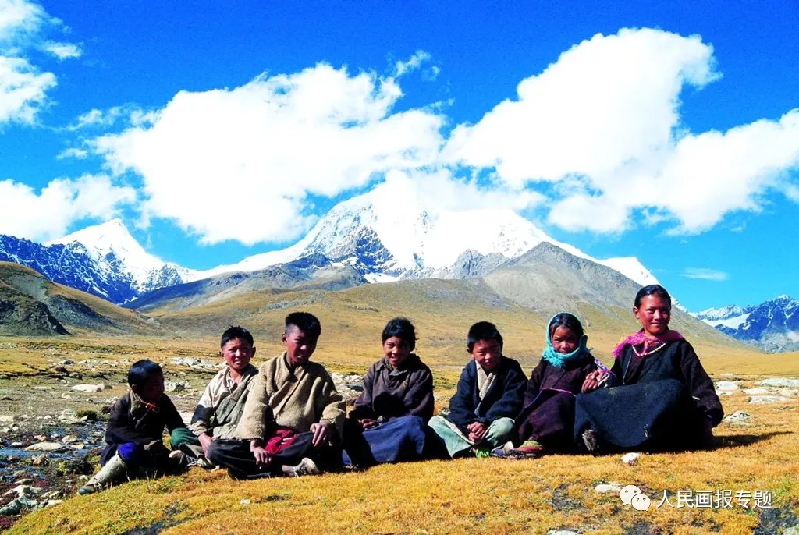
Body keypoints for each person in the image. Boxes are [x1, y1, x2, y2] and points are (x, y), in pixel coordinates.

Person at [573, 285, 724, 453]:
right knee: (583, 398)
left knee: (672, 389)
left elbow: (701, 385)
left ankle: (613, 441)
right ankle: (594, 439)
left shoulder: (679, 347)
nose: (658, 317)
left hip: (670, 418)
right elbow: (618, 384)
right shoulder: (628, 348)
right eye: (651, 310)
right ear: (636, 312)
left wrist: (708, 418)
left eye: (664, 311)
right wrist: (600, 381)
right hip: (635, 413)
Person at [207, 312, 345, 478]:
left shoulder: (318, 374)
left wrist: (325, 423)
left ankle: (255, 468)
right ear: (284, 339)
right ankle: (286, 469)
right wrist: (255, 444)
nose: (306, 348)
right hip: (264, 438)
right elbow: (255, 404)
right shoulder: (268, 369)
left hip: (296, 440)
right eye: (300, 342)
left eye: (311, 343)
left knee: (315, 440)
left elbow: (334, 402)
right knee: (216, 450)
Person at [510, 313, 612, 456]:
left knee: (561, 399)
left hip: (567, 424)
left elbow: (594, 398)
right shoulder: (545, 364)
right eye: (558, 340)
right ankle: (532, 438)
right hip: (535, 421)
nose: (564, 346)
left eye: (570, 339)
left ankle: (538, 442)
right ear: (550, 340)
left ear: (580, 340)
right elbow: (530, 393)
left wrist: (590, 388)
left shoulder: (588, 365)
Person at [78, 360, 186, 494]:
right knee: (130, 449)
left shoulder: (163, 402)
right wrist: (144, 441)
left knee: (178, 455)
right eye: (155, 385)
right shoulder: (123, 404)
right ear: (136, 388)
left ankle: (142, 472)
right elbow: (113, 433)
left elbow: (176, 425)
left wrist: (181, 439)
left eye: (162, 382)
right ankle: (95, 483)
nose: (162, 388)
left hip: (152, 452)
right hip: (120, 453)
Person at [343, 318, 436, 468]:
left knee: (413, 425)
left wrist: (381, 422)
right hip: (374, 430)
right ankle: (368, 453)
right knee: (345, 425)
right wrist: (361, 420)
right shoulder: (376, 369)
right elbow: (364, 403)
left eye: (403, 346)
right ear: (383, 345)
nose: (396, 352)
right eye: (391, 345)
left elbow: (416, 413)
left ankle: (361, 456)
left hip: (399, 429)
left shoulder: (420, 373)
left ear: (411, 347)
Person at [428, 321, 526, 458]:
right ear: (471, 352)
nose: (489, 356)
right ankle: (476, 449)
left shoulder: (512, 370)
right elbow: (459, 402)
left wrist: (484, 422)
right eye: (482, 352)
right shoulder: (469, 370)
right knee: (434, 423)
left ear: (501, 347)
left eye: (494, 349)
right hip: (471, 429)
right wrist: (469, 426)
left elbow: (512, 401)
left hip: (492, 426)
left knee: (506, 426)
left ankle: (466, 448)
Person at [170, 326, 259, 467]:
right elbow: (200, 416)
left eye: (244, 349)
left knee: (230, 448)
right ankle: (209, 454)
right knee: (178, 435)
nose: (239, 354)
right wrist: (203, 437)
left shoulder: (259, 380)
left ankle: (199, 457)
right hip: (216, 436)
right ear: (222, 353)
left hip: (243, 437)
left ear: (252, 352)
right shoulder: (217, 382)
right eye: (232, 350)